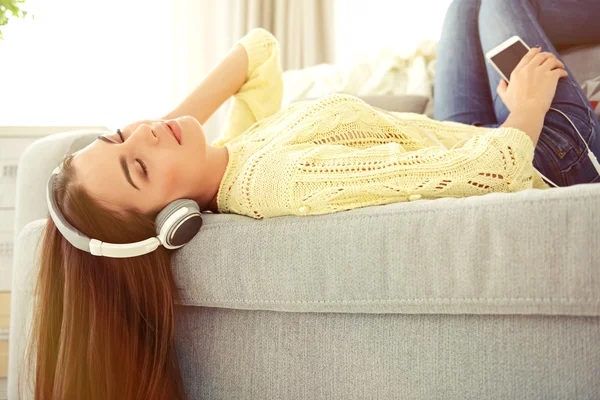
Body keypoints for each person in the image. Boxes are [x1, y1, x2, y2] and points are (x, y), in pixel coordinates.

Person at [22, 0, 599, 399]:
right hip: (543, 159)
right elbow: (489, 172)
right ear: (172, 221)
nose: (146, 132)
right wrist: (526, 105)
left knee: (464, 7)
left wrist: (158, 141)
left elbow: (258, 51)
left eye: (121, 134)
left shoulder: (230, 151)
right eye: (139, 170)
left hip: (467, 129)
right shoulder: (280, 182)